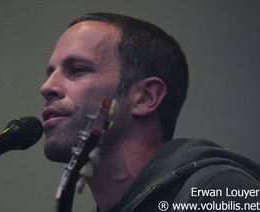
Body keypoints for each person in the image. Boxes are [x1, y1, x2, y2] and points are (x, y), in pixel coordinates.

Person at [40, 12, 260, 212]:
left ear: (146, 97)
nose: (46, 87)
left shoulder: (219, 192)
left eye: (77, 70)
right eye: (50, 73)